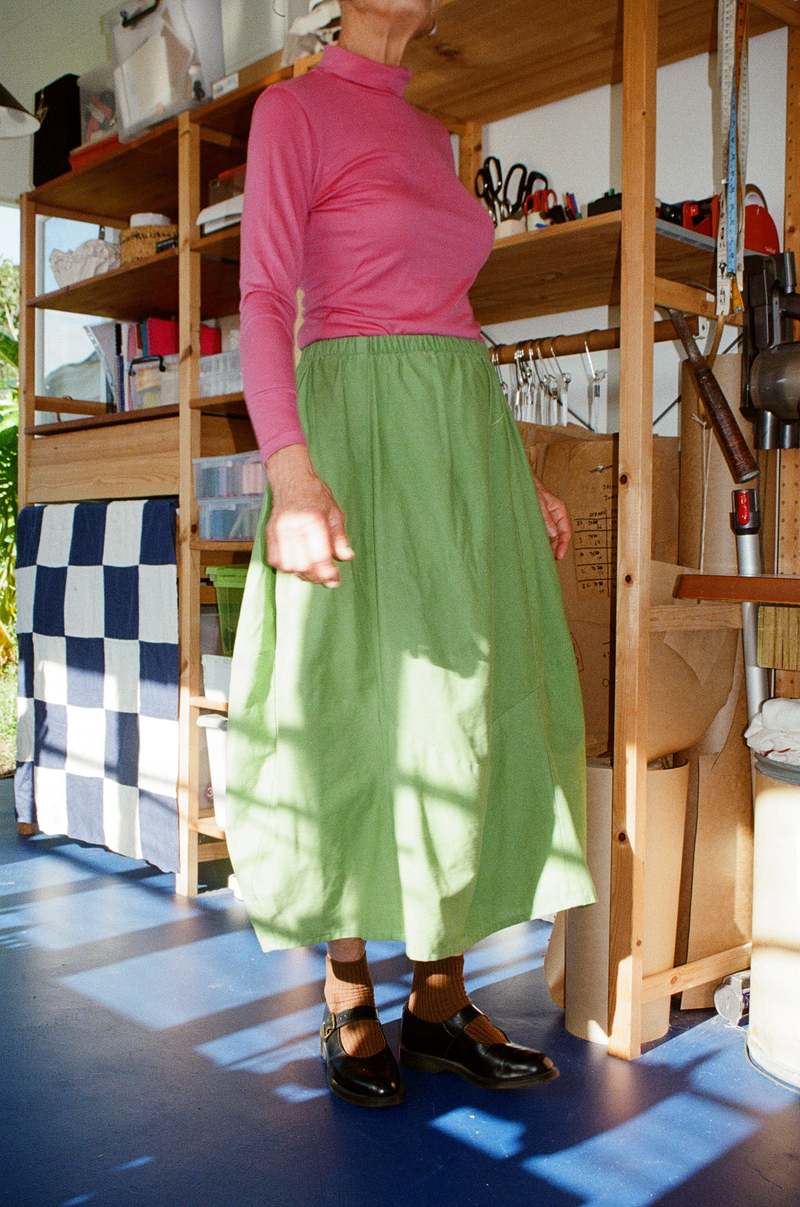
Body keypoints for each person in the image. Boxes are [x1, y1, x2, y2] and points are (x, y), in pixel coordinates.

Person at [225, 0, 597, 1109]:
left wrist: (514, 470)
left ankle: (438, 1002)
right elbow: (263, 295)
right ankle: (348, 993)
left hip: (459, 440)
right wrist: (290, 471)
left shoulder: (434, 135)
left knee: (467, 705)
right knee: (351, 704)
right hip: (353, 434)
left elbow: (455, 317)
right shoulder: (292, 110)